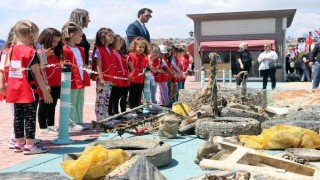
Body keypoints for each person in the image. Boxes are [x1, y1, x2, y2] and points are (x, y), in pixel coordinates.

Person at [3, 20, 53, 154]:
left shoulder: (11, 50)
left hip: (15, 89)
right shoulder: (31, 52)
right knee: (30, 117)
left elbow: (7, 68)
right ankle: (30, 145)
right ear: (30, 36)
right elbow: (36, 73)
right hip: (29, 90)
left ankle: (19, 143)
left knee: (18, 117)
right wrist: (45, 91)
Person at [61, 22, 91, 130]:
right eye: (80, 35)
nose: (81, 38)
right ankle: (71, 122)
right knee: (71, 101)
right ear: (72, 35)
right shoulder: (64, 49)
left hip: (81, 78)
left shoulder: (80, 49)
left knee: (80, 100)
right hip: (72, 79)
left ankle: (79, 120)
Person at [37, 28, 63, 135]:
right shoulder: (40, 51)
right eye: (53, 41)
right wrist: (43, 55)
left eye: (57, 42)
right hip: (46, 84)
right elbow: (39, 67)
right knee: (44, 104)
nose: (55, 44)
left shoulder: (55, 53)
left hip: (56, 83)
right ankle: (43, 127)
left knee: (53, 104)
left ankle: (51, 124)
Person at [91, 28, 115, 121]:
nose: (111, 38)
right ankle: (100, 117)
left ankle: (105, 115)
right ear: (102, 38)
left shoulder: (110, 49)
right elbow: (98, 64)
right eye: (109, 35)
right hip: (102, 78)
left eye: (112, 36)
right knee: (100, 98)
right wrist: (101, 77)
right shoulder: (99, 49)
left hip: (109, 78)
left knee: (107, 99)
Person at [108, 35, 130, 115]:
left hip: (120, 78)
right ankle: (113, 113)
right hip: (115, 78)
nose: (121, 45)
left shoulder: (118, 53)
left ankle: (116, 113)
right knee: (113, 98)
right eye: (119, 43)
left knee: (117, 97)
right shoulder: (112, 52)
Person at [127, 37, 150, 113]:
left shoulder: (144, 56)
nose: (141, 49)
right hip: (133, 79)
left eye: (143, 47)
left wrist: (144, 68)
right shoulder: (131, 55)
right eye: (140, 47)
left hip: (140, 79)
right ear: (134, 46)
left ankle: (137, 107)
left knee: (139, 94)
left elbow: (146, 64)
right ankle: (132, 108)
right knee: (132, 94)